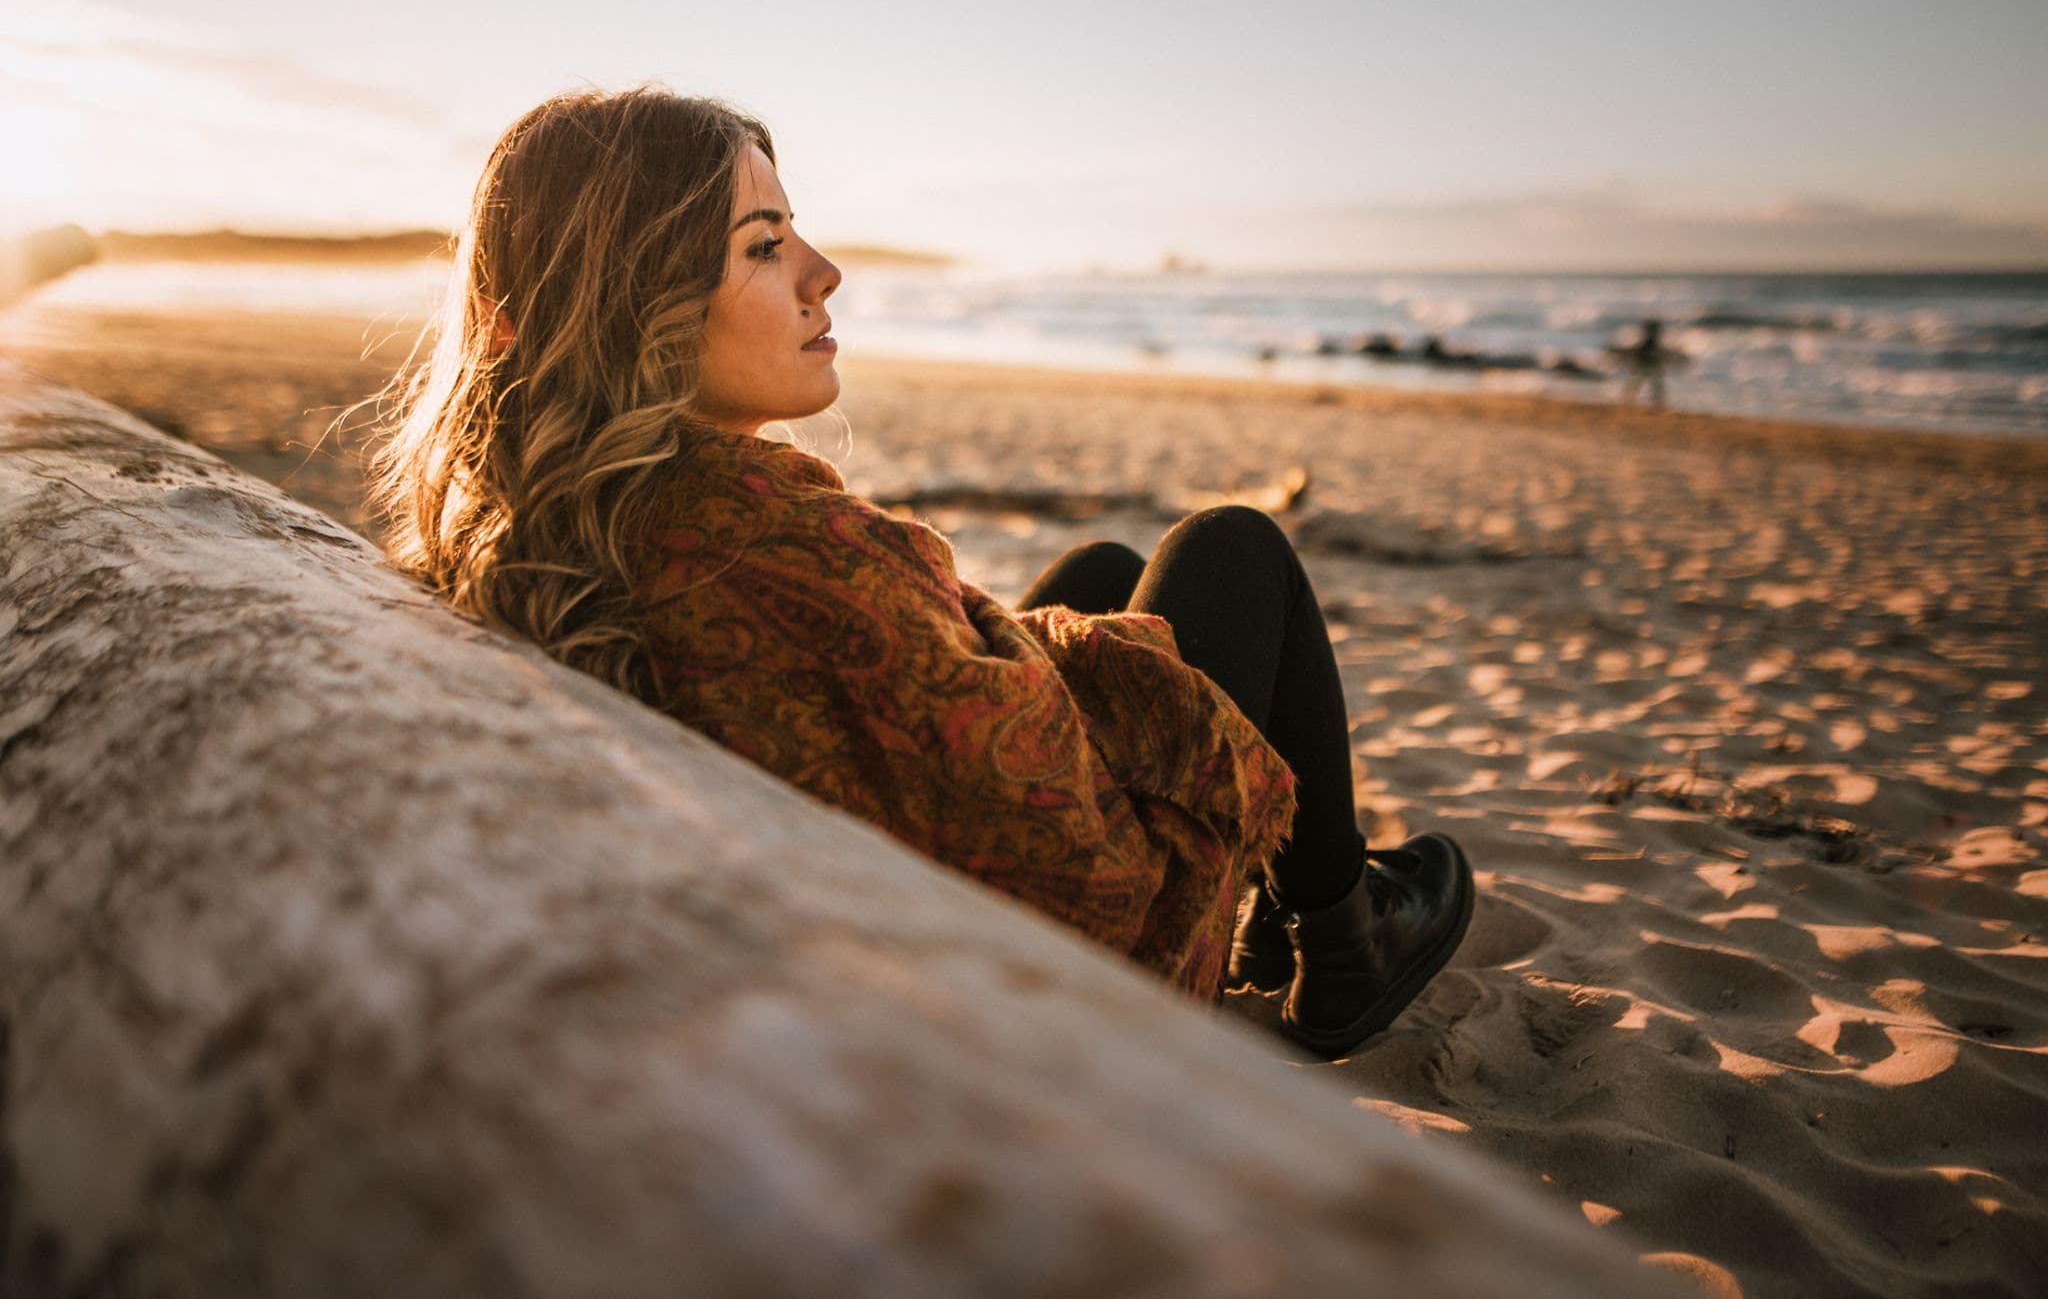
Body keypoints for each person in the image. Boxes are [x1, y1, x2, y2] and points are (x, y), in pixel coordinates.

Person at [368, 86, 1475, 1060]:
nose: (821, 272)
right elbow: (1062, 857)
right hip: (1047, 986)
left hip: (851, 904)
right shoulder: (767, 546)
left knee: (1100, 570)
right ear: (632, 310)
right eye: (763, 246)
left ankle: (1297, 908)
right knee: (1232, 550)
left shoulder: (576, 514)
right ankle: (1341, 940)